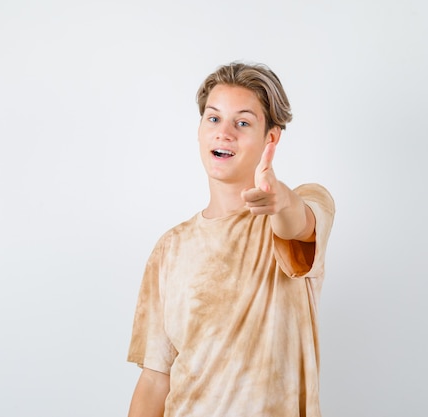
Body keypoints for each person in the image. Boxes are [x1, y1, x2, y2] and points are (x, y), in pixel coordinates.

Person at [127, 62, 335, 417]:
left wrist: (280, 199)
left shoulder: (301, 205)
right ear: (199, 130)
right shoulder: (170, 247)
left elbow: (298, 223)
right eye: (213, 118)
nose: (224, 133)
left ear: (270, 137)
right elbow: (154, 378)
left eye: (242, 122)